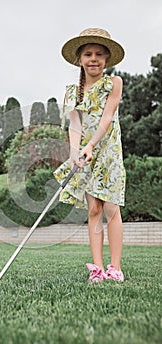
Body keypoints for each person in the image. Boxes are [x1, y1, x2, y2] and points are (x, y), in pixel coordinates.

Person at [54, 28, 126, 283]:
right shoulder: (72, 92)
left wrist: (93, 144)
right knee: (93, 208)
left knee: (110, 207)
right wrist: (75, 151)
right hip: (85, 155)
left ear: (106, 59)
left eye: (99, 54)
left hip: (107, 151)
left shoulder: (113, 83)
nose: (93, 59)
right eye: (88, 54)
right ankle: (97, 269)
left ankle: (114, 268)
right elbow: (75, 124)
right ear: (80, 59)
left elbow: (107, 116)